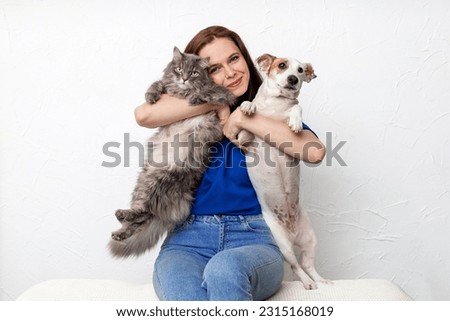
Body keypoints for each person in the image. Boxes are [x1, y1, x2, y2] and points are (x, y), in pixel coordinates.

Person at [134, 26, 326, 301]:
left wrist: (243, 119)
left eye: (234, 59)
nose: (230, 72)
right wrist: (219, 105)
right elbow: (143, 114)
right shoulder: (191, 120)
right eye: (215, 69)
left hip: (255, 236)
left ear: (246, 60)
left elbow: (314, 151)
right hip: (188, 240)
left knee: (224, 272)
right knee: (184, 295)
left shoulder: (274, 115)